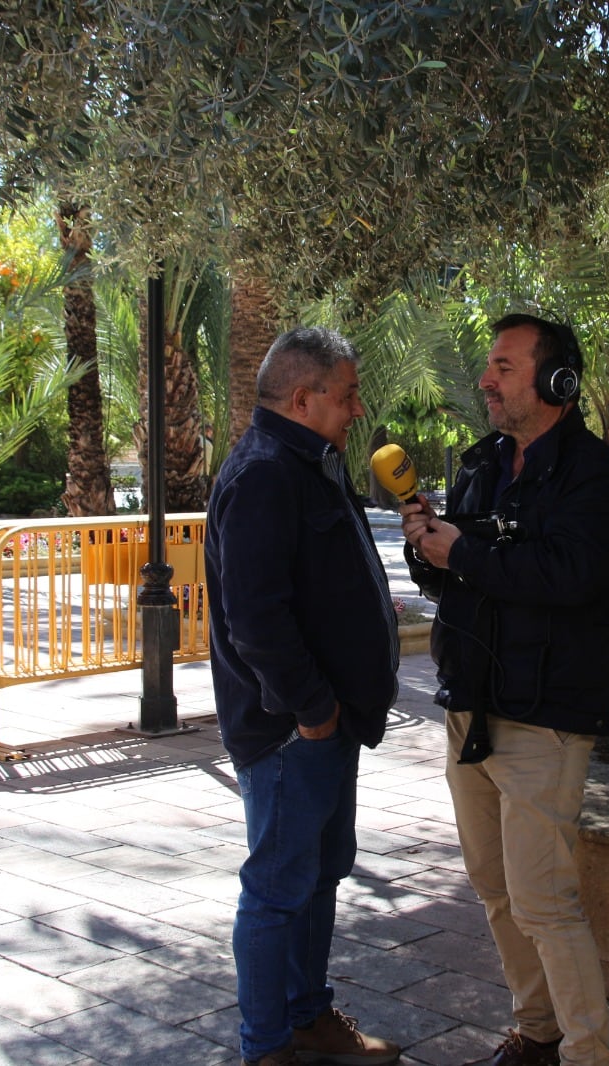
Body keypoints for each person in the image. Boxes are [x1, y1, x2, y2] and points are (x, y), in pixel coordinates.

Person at [400, 314, 609, 1066]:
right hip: (471, 705)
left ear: (556, 382)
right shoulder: (481, 463)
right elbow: (462, 578)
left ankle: (586, 1054)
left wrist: (465, 552)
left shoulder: (595, 476)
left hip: (544, 716)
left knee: (542, 900)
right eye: (489, 365)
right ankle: (537, 1036)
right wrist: (431, 549)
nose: (486, 380)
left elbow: (568, 577)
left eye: (503, 365)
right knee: (495, 890)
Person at [205, 327, 403, 1066]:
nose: (357, 410)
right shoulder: (263, 473)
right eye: (347, 395)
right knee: (277, 890)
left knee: (319, 874)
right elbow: (256, 618)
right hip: (294, 732)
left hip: (329, 724)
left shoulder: (305, 462)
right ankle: (267, 1048)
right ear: (302, 397)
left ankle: (307, 1019)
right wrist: (313, 709)